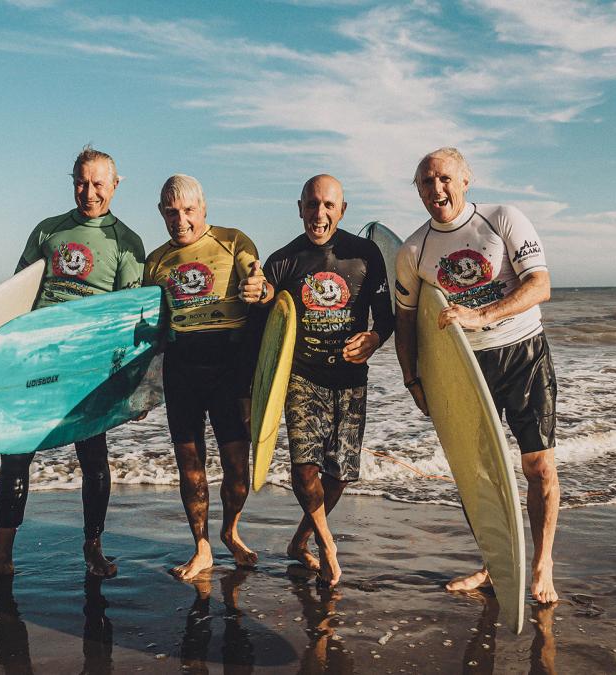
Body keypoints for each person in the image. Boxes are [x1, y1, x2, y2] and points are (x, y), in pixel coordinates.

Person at [0, 145, 146, 587]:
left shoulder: (128, 244)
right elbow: (15, 294)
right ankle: (2, 555)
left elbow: (129, 319)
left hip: (87, 370)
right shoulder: (49, 231)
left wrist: (131, 385)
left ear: (116, 184)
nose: (89, 193)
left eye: (98, 184)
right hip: (36, 361)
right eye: (81, 183)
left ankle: (93, 548)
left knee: (94, 460)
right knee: (15, 455)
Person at [392, 146, 560, 604]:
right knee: (478, 475)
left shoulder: (503, 218)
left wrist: (481, 315)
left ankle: (542, 564)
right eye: (426, 182)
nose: (436, 189)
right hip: (466, 369)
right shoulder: (412, 250)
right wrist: (414, 380)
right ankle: (494, 564)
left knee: (538, 466)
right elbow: (406, 321)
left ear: (466, 180)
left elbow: (539, 285)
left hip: (523, 353)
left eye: (445, 178)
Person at [241, 174, 393, 587]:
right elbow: (266, 321)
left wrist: (376, 338)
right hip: (302, 376)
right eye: (312, 204)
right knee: (304, 469)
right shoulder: (283, 260)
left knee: (339, 472)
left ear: (342, 210)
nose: (319, 213)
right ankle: (326, 542)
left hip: (349, 377)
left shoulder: (365, 256)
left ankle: (299, 541)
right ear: (300, 208)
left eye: (328, 205)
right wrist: (258, 293)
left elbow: (387, 313)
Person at [143, 174, 261, 579]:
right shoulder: (155, 262)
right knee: (189, 466)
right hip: (182, 370)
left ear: (203, 208)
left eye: (188, 211)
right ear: (161, 213)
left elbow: (259, 284)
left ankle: (230, 530)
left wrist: (259, 290)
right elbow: (152, 331)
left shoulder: (233, 241)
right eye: (172, 212)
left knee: (237, 470)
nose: (181, 220)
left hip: (230, 369)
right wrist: (141, 391)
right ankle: (202, 548)